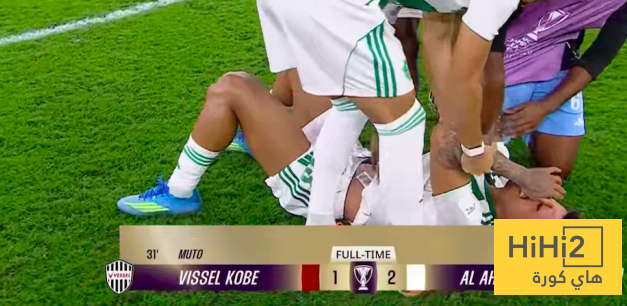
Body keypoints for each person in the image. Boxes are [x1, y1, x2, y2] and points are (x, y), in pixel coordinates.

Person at [256, 0, 587, 225]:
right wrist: (474, 150)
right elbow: (466, 77)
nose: (527, 3)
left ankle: (319, 222)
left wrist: (467, 133)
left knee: (349, 108)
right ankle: (407, 244)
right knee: (405, 122)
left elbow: (437, 36)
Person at [117, 71, 572, 223]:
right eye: (546, 197)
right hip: (350, 158)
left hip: (324, 187)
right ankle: (252, 135)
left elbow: (445, 142)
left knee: (231, 88)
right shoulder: (496, 174)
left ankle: (179, 192)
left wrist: (519, 173)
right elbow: (479, 132)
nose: (536, 195)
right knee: (309, 66)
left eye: (538, 207)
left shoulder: (470, 222)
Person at [501, 0, 627, 176]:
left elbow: (601, 53)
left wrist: (546, 106)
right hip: (501, 51)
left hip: (556, 58)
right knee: (473, 154)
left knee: (557, 169)